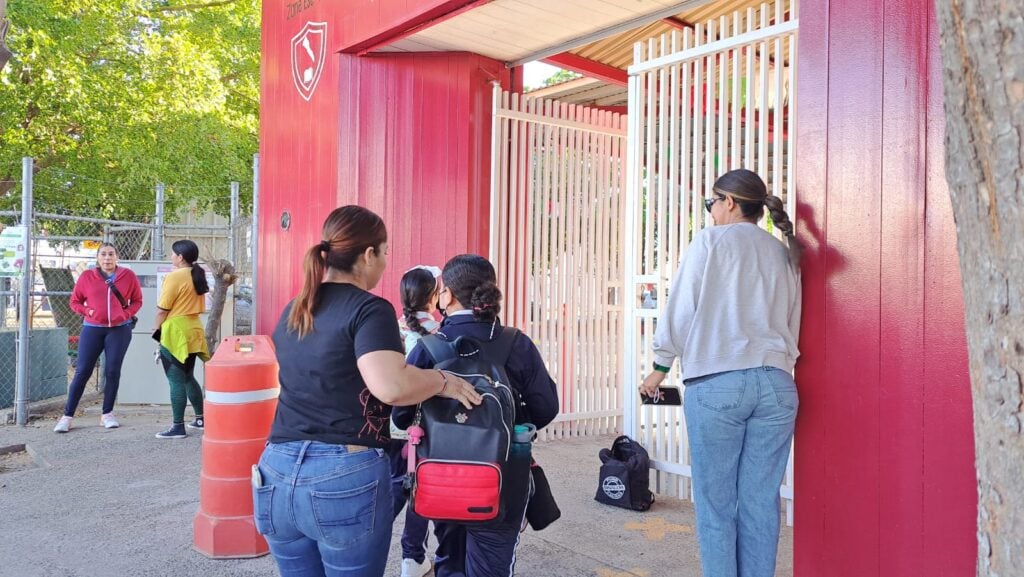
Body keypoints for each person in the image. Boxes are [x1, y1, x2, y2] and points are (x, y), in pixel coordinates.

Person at [253, 205, 481, 577]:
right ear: (369, 254)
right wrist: (442, 382)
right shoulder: (369, 309)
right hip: (340, 475)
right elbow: (391, 385)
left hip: (275, 471)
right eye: (386, 252)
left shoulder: (296, 307)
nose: (386, 263)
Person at [639, 168, 801, 577]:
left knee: (716, 505)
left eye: (711, 203)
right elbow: (792, 322)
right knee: (761, 501)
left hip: (718, 383)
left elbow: (682, 308)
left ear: (729, 202)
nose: (710, 212)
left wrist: (660, 366)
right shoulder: (784, 253)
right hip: (778, 384)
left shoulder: (710, 241)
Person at [400, 254, 560, 577]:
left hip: (442, 478)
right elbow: (547, 407)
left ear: (447, 296)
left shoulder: (428, 348)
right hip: (503, 478)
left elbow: (402, 415)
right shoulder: (516, 344)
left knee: (449, 559)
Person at [55, 243, 142, 432]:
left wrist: (126, 314)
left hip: (119, 330)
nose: (107, 258)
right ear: (97, 258)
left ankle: (107, 414)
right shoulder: (87, 276)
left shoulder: (128, 276)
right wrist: (88, 311)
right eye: (103, 254)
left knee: (112, 371)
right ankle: (67, 417)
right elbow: (74, 301)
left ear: (117, 257)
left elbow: (137, 300)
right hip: (92, 329)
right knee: (82, 371)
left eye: (111, 254)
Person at [390, 265, 442, 577]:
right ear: (434, 296)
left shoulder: (388, 332)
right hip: (425, 429)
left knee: (395, 488)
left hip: (393, 425)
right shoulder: (439, 336)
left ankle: (370, 541)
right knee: (420, 491)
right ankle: (412, 557)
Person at [153, 239, 210, 439]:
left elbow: (162, 309)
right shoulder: (198, 273)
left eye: (172, 254)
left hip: (175, 331)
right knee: (188, 376)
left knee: (175, 379)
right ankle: (201, 419)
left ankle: (178, 427)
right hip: (194, 328)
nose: (171, 257)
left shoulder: (175, 276)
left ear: (180, 257)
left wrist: (156, 329)